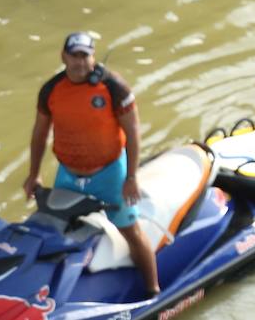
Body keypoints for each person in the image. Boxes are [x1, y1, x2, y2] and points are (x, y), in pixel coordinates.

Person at [22, 32, 160, 297]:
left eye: (85, 56)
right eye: (74, 56)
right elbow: (39, 134)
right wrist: (34, 175)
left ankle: (154, 291)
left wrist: (131, 177)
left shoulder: (114, 88)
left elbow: (133, 132)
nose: (79, 62)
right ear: (63, 57)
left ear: (93, 57)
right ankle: (49, 296)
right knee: (54, 230)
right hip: (69, 176)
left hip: (110, 174)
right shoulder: (51, 90)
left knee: (130, 231)